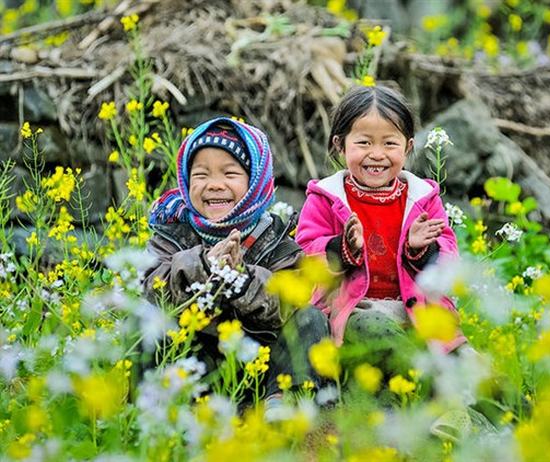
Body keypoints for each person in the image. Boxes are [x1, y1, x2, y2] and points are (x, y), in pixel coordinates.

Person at [143, 116, 329, 409]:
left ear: (254, 182)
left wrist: (243, 278)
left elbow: (291, 298)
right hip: (194, 363)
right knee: (142, 320)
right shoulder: (172, 231)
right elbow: (151, 286)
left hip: (259, 368)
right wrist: (203, 265)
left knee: (311, 319)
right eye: (201, 175)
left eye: (229, 173)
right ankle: (153, 406)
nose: (214, 185)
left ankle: (281, 404)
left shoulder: (274, 237)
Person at [295, 85, 466, 375]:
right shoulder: (326, 198)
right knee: (372, 328)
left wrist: (422, 250)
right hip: (355, 310)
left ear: (408, 147)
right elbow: (305, 258)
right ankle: (425, 378)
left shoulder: (423, 198)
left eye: (389, 144)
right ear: (340, 145)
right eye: (363, 143)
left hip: (419, 310)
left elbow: (449, 263)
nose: (377, 154)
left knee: (466, 358)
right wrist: (341, 250)